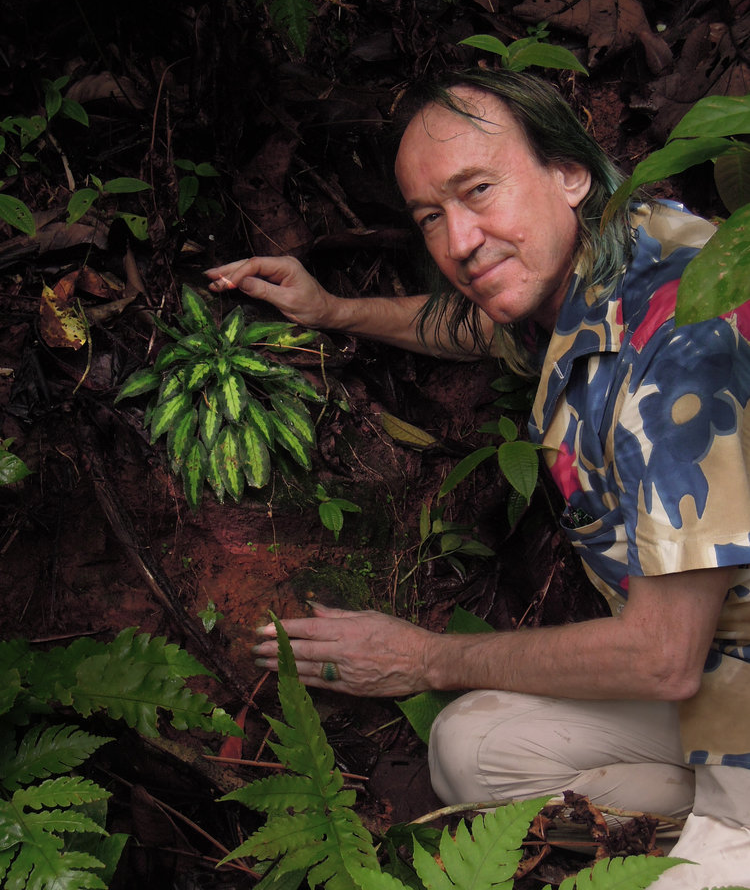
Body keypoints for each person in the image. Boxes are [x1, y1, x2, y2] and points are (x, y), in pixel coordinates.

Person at [205, 69, 750, 888]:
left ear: (568, 171)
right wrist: (334, 311)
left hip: (698, 669)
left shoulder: (680, 346)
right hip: (716, 675)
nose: (459, 241)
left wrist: (425, 658)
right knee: (471, 751)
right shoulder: (607, 250)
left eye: (479, 190)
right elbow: (478, 323)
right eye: (431, 216)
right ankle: (691, 830)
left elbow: (661, 656)